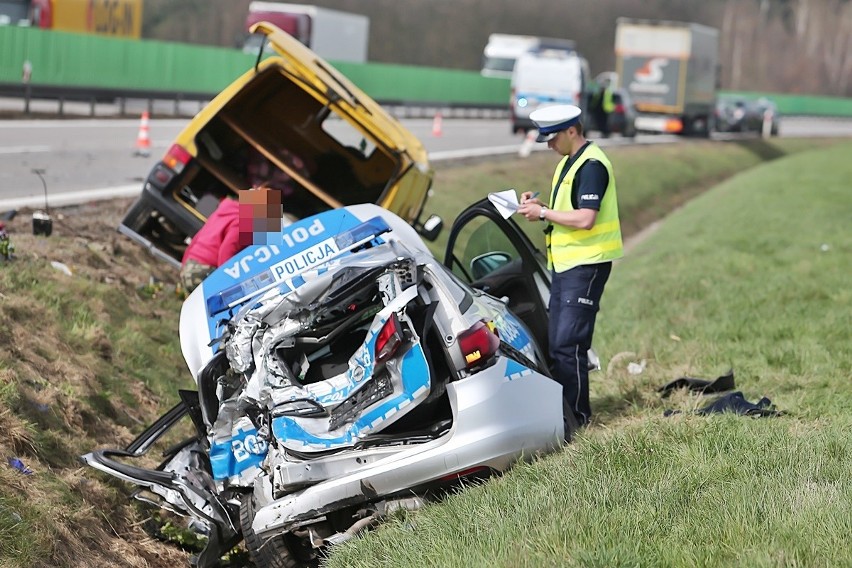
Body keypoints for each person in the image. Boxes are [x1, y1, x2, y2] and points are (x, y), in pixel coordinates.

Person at [517, 104, 623, 429]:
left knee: (569, 344)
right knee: (557, 343)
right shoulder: (568, 162)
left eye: (552, 138)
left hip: (586, 266)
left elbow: (586, 218)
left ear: (572, 131)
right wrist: (542, 207)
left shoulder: (592, 166)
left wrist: (544, 215)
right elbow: (570, 210)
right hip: (566, 265)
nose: (549, 145)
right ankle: (566, 416)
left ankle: (579, 420)